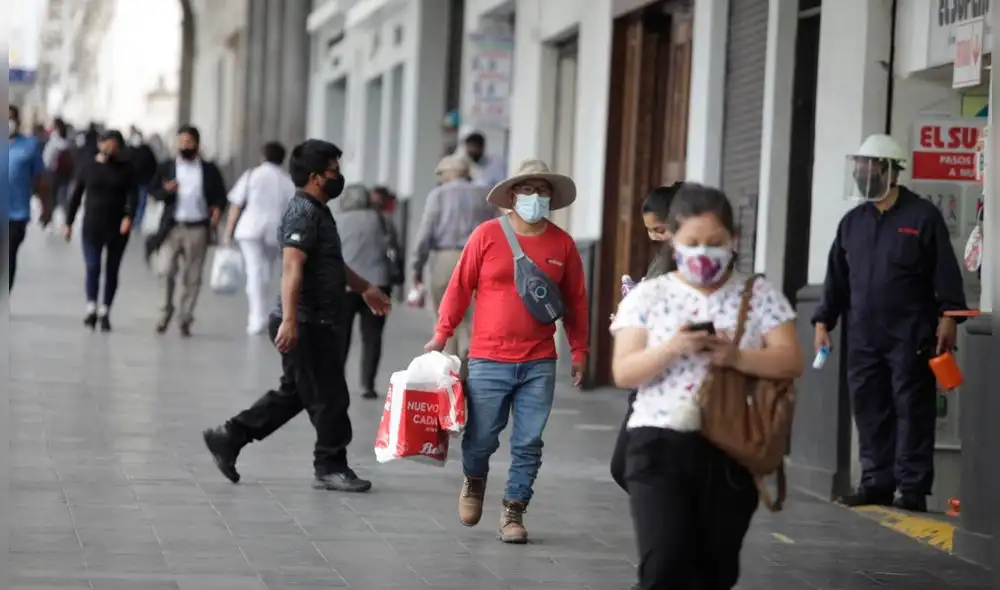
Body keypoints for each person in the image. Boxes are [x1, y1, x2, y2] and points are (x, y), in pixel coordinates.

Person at [611, 183, 803, 588]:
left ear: (733, 239)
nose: (703, 252)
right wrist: (674, 347)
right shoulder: (649, 295)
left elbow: (790, 360)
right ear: (673, 241)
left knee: (714, 572)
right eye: (692, 242)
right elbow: (625, 371)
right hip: (657, 443)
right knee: (663, 565)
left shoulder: (759, 295)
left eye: (714, 242)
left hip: (731, 446)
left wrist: (736, 356)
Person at [202, 139, 391, 493]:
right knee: (330, 396)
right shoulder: (303, 212)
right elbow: (292, 267)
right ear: (318, 177)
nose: (340, 176)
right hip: (305, 321)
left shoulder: (318, 210)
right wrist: (290, 320)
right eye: (335, 169)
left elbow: (331, 264)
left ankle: (230, 436)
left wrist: (365, 288)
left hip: (314, 320)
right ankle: (330, 465)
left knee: (296, 393)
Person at [425, 159, 590, 544]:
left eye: (543, 190)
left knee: (529, 440)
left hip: (539, 361)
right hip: (487, 358)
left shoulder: (562, 244)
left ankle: (514, 509)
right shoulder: (486, 235)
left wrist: (579, 350)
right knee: (481, 437)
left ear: (552, 196)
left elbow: (577, 303)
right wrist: (441, 333)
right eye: (528, 189)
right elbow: (459, 287)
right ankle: (474, 480)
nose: (535, 197)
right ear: (512, 195)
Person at [813, 134, 967, 513]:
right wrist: (823, 321)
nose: (863, 174)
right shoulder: (852, 222)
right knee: (869, 407)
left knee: (911, 408)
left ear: (892, 171)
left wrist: (949, 317)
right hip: (863, 333)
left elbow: (945, 272)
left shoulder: (922, 217)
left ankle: (911, 489)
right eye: (860, 167)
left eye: (872, 167)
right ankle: (876, 482)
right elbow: (836, 278)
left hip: (910, 331)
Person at [609, 182, 682, 495]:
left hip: (669, 378)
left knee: (632, 466)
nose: (654, 237)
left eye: (660, 229)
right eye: (650, 230)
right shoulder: (663, 258)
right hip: (647, 371)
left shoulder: (692, 265)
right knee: (627, 466)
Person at [412, 155, 496, 359]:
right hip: (480, 259)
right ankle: (469, 365)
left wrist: (417, 266)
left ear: (447, 175)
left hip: (445, 258)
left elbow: (426, 232)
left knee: (445, 317)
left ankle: (449, 369)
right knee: (473, 317)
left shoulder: (438, 195)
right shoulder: (485, 194)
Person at [147, 125, 227, 337]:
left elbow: (221, 195)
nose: (185, 146)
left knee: (193, 277)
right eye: (181, 142)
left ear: (197, 144)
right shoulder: (167, 167)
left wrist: (217, 209)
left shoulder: (209, 169)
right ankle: (165, 311)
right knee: (166, 271)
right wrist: (165, 190)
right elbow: (153, 192)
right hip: (172, 228)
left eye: (189, 142)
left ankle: (185, 317)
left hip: (198, 228)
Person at [63, 130, 137, 331]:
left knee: (112, 269)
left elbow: (133, 196)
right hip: (92, 225)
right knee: (93, 266)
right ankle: (91, 307)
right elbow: (76, 195)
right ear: (99, 144)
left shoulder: (126, 169)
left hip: (118, 227)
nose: (109, 149)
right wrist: (68, 223)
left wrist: (128, 217)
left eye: (114, 146)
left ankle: (105, 310)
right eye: (107, 144)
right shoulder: (88, 166)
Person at [333, 184, 399, 399]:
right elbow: (395, 249)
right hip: (378, 283)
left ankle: (336, 382)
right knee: (373, 336)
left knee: (340, 336)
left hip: (345, 285)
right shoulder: (382, 220)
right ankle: (367, 385)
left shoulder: (338, 221)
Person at [223, 141, 295, 335]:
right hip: (276, 231)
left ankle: (256, 317)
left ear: (263, 156)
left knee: (254, 271)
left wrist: (228, 232)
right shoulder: (288, 181)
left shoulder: (251, 176)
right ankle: (268, 312)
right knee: (267, 272)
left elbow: (236, 205)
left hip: (250, 229)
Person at [8, 104, 53, 291]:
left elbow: (40, 180)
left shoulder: (29, 146)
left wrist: (46, 208)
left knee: (8, 256)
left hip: (16, 214)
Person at [126, 126, 160, 227]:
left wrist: (152, 179)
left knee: (141, 203)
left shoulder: (146, 150)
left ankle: (137, 222)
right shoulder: (127, 150)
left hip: (143, 181)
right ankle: (131, 219)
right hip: (130, 182)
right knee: (131, 202)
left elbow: (153, 165)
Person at [42, 117, 74, 220]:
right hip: (65, 174)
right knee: (63, 197)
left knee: (53, 197)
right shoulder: (69, 140)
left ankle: (50, 218)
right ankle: (66, 218)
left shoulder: (54, 139)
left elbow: (47, 158)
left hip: (53, 173)